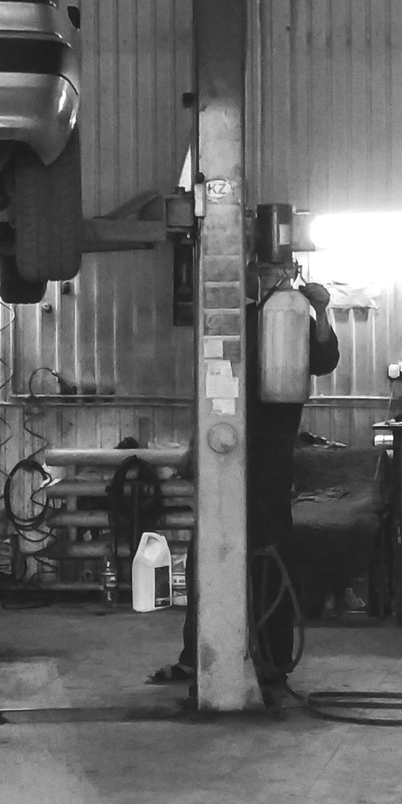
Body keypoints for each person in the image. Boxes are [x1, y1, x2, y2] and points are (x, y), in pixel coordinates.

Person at [152, 270, 339, 685]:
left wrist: (322, 310)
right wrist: (196, 445)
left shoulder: (292, 317)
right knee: (208, 558)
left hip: (270, 464)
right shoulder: (232, 322)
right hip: (224, 456)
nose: (270, 279)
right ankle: (198, 657)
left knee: (270, 560)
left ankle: (272, 662)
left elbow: (325, 361)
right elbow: (210, 385)